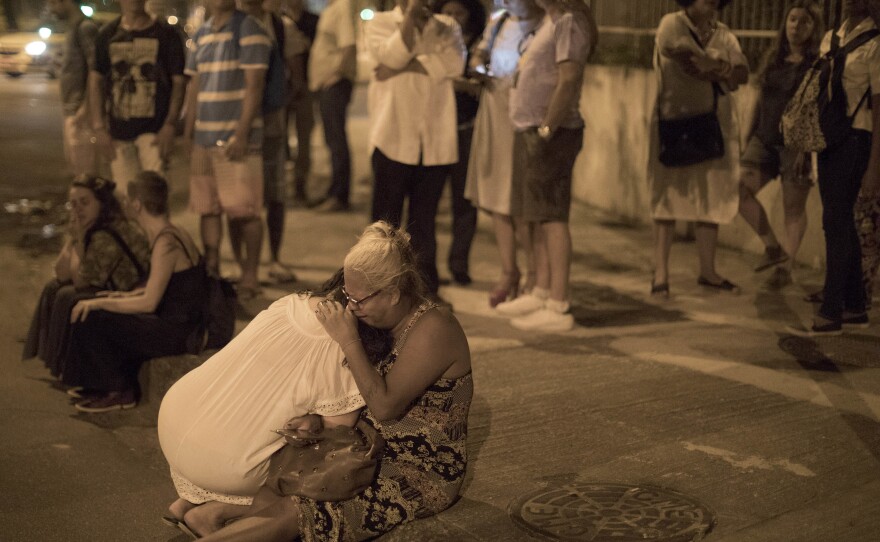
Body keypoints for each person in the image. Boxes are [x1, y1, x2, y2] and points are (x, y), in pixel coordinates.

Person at [188, 221, 472, 542]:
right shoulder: (381, 319)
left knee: (305, 509)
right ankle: (211, 514)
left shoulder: (434, 328)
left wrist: (349, 340)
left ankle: (215, 523)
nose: (351, 307)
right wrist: (316, 420)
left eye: (359, 300)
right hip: (367, 447)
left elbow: (384, 406)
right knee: (287, 468)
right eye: (348, 296)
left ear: (393, 294)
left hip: (416, 468)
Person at [156, 268, 393, 537]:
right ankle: (213, 513)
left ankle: (188, 501)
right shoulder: (347, 351)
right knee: (324, 467)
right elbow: (336, 434)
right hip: (220, 460)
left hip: (175, 416)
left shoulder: (290, 302)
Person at [64, 171, 205, 413]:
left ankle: (120, 391)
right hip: (176, 324)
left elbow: (149, 303)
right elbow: (160, 290)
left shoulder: (166, 242)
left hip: (178, 332)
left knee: (95, 315)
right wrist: (118, 297)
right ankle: (100, 385)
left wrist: (99, 305)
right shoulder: (172, 232)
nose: (126, 205)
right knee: (97, 303)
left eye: (129, 201)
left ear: (137, 204)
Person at [494, 0, 597, 332]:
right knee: (535, 216)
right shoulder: (549, 21)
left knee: (552, 217)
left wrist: (547, 129)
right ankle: (540, 292)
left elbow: (569, 79)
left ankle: (558, 303)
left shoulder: (569, 21)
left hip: (553, 132)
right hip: (531, 130)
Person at [787, 0, 880, 336]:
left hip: (857, 138)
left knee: (835, 219)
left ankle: (832, 309)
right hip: (829, 135)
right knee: (837, 218)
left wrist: (874, 166)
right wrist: (805, 144)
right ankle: (855, 305)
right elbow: (818, 94)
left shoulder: (875, 43)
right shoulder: (831, 38)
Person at [647, 0, 749, 298]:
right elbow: (687, 62)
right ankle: (660, 273)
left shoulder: (725, 34)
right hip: (674, 123)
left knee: (712, 197)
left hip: (714, 124)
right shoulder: (672, 24)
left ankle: (708, 270)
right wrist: (722, 68)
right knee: (667, 196)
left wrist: (717, 66)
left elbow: (742, 74)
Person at [366, 0, 466, 297]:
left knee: (424, 221)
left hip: (435, 142)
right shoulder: (380, 23)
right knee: (385, 224)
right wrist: (410, 22)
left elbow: (456, 65)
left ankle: (423, 291)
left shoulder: (447, 26)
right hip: (391, 137)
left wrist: (409, 64)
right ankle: (378, 287)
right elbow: (390, 56)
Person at [23, 175, 150, 380]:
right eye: (73, 204)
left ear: (102, 203)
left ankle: (74, 371)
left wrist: (79, 239)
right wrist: (74, 238)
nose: (78, 209)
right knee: (53, 287)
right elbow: (61, 272)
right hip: (109, 286)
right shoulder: (93, 227)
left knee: (69, 295)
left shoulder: (108, 234)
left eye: (85, 202)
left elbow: (82, 281)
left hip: (131, 293)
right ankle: (62, 364)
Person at [184, 0, 271, 299]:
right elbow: (194, 85)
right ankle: (213, 272)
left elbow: (255, 85)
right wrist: (189, 133)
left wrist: (242, 133)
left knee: (245, 211)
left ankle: (250, 277)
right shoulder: (202, 33)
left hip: (235, 139)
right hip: (204, 139)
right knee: (208, 209)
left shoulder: (249, 28)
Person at [737, 1, 822, 289]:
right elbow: (757, 102)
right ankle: (773, 248)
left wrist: (807, 151)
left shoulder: (817, 65)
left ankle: (786, 268)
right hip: (764, 140)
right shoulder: (772, 59)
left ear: (813, 29)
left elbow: (817, 110)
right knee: (738, 191)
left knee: (793, 210)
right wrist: (746, 139)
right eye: (793, 20)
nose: (797, 27)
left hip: (795, 146)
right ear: (785, 24)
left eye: (804, 22)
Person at [464, 0, 544, 306]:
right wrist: (477, 64)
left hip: (526, 116)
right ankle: (509, 271)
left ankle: (535, 275)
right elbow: (479, 57)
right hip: (495, 112)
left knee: (522, 200)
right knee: (498, 197)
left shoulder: (546, 22)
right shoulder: (498, 21)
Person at [231, 0, 305, 284]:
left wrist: (278, 105)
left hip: (271, 124)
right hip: (238, 123)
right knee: (237, 196)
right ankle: (241, 264)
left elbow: (296, 76)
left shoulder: (280, 26)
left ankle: (274, 259)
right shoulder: (232, 25)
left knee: (275, 194)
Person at [88, 0, 187, 192]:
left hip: (155, 133)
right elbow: (95, 80)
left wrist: (170, 125)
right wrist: (99, 127)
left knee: (154, 197)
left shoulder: (166, 34)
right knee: (126, 196)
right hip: (118, 132)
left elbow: (179, 82)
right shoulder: (107, 35)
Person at [435, 0, 487, 287]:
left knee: (464, 202)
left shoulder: (480, 43)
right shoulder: (433, 40)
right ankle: (424, 268)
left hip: (466, 129)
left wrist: (458, 84)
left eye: (460, 13)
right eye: (448, 12)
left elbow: (486, 86)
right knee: (426, 202)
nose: (453, 18)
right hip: (436, 131)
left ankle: (459, 264)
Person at [308, 0, 358, 212]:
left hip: (335, 85)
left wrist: (336, 75)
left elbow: (349, 46)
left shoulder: (342, 6)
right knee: (331, 138)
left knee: (336, 138)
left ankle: (339, 196)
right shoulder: (331, 9)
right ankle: (333, 192)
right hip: (327, 84)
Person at [47, 0, 99, 177]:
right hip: (72, 110)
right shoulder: (73, 28)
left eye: (53, 3)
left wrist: (86, 108)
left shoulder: (85, 28)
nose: (51, 9)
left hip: (81, 113)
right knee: (77, 169)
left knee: (86, 176)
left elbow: (96, 70)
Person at [281, 0, 319, 206]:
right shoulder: (278, 21)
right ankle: (279, 188)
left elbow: (318, 52)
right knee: (279, 140)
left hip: (305, 87)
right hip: (282, 91)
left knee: (304, 140)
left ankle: (300, 186)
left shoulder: (314, 21)